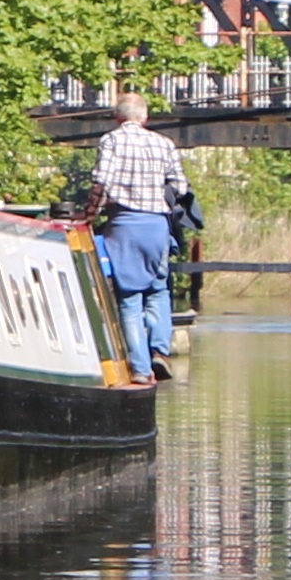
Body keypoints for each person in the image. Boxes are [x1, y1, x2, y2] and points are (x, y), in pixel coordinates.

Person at [91, 88, 188, 379]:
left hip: (124, 225)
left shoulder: (111, 140)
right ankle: (160, 351)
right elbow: (181, 187)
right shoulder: (164, 144)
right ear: (145, 117)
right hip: (158, 226)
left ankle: (141, 369)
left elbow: (101, 182)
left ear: (117, 116)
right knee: (159, 290)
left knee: (130, 298)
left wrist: (89, 214)